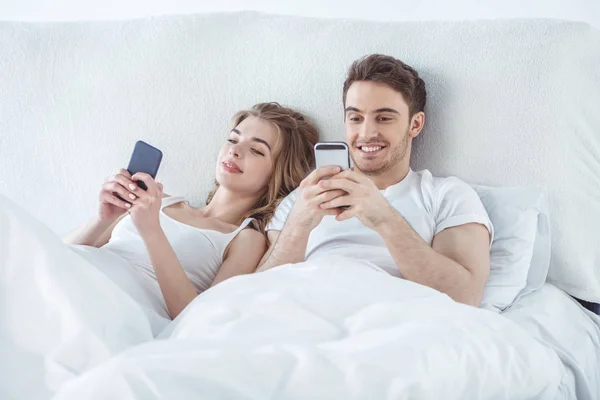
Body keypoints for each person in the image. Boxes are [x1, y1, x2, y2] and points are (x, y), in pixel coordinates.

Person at [258, 55, 493, 307]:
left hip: (391, 318)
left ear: (415, 124)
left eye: (384, 118)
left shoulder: (447, 195)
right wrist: (298, 226)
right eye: (355, 118)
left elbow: (465, 297)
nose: (366, 133)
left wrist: (383, 218)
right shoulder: (303, 198)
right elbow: (254, 294)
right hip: (307, 311)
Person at [64, 102, 319, 323]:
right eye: (232, 139)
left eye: (256, 150)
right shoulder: (158, 201)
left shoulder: (245, 239)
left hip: (111, 309)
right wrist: (102, 219)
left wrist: (152, 232)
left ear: (278, 173)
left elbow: (201, 321)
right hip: (71, 279)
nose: (235, 151)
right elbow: (60, 252)